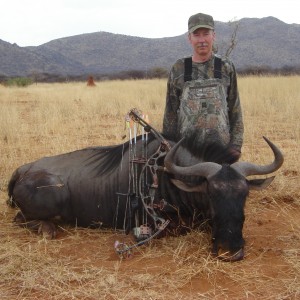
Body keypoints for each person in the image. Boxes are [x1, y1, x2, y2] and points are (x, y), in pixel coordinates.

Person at [162, 12, 244, 162]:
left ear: (214, 35)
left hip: (221, 151)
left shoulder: (226, 67)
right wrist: (169, 148)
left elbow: (235, 110)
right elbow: (170, 114)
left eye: (206, 34)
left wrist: (236, 146)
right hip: (187, 153)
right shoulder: (178, 68)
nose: (202, 40)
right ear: (189, 38)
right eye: (196, 35)